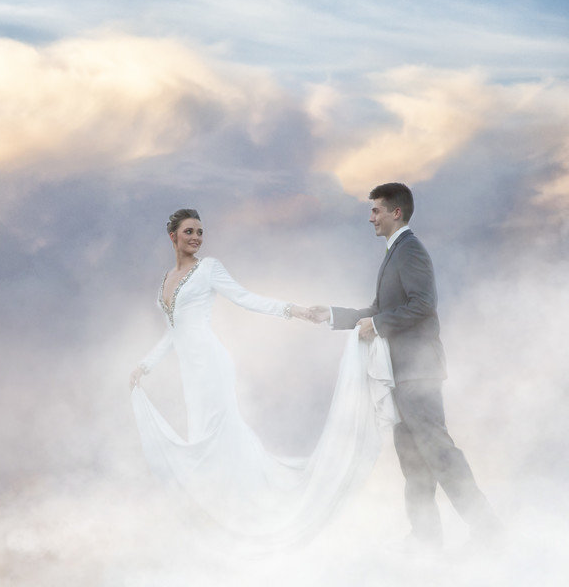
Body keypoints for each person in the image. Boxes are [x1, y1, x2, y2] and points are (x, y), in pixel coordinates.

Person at [129, 208, 398, 549]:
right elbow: (173, 333)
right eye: (189, 232)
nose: (196, 237)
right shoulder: (165, 279)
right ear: (173, 237)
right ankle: (217, 515)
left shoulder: (208, 269)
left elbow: (246, 299)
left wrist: (293, 310)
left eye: (200, 232)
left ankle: (238, 515)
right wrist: (145, 366)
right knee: (203, 437)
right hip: (190, 373)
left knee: (218, 438)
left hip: (212, 366)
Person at [309, 182, 500, 549]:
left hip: (419, 372)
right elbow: (378, 309)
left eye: (376, 210)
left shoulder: (410, 250)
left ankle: (488, 529)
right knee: (412, 460)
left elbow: (423, 304)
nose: (371, 218)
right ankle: (426, 538)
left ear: (396, 212)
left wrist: (377, 325)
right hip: (402, 374)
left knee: (440, 452)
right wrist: (331, 315)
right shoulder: (395, 252)